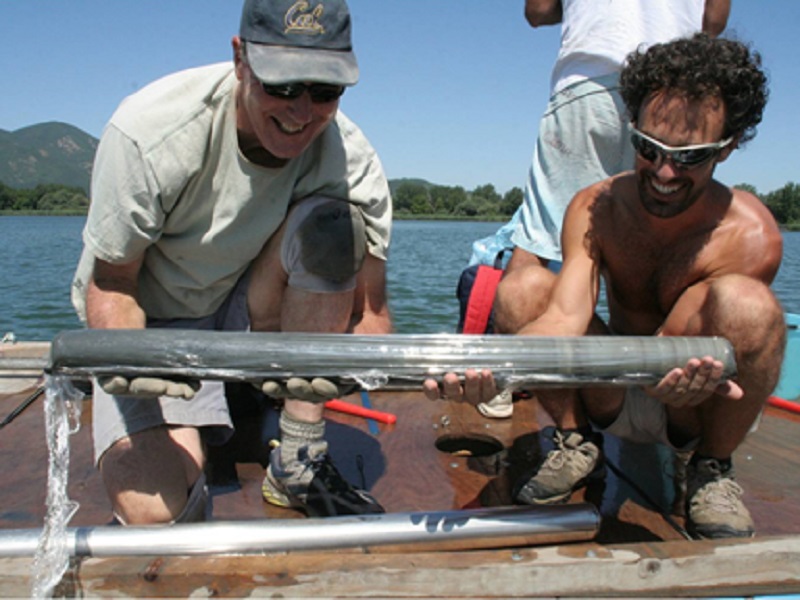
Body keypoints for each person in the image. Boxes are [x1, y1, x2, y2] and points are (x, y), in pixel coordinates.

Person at [428, 33, 784, 539]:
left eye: (689, 157)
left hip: (689, 400)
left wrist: (678, 377)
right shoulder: (595, 207)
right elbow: (563, 318)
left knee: (752, 306)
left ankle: (710, 468)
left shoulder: (753, 235)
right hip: (610, 388)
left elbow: (719, 332)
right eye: (647, 147)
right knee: (522, 288)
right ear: (631, 127)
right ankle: (577, 443)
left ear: (726, 149)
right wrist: (486, 364)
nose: (663, 172)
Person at [70, 0, 393, 524]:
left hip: (250, 313)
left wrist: (354, 364)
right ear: (240, 60)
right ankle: (174, 420)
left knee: (333, 223)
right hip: (154, 325)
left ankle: (300, 456)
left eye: (325, 90)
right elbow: (111, 281)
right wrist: (129, 358)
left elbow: (373, 315)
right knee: (153, 511)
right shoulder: (151, 134)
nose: (301, 110)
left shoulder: (350, 159)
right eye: (282, 85)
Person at [467, 0, 731, 419]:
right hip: (681, 93)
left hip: (588, 80)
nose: (662, 166)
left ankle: (523, 393)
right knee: (643, 255)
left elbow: (536, 10)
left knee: (535, 251)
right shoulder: (741, 225)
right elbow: (713, 22)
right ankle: (638, 409)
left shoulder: (751, 232)